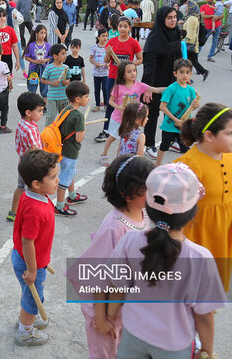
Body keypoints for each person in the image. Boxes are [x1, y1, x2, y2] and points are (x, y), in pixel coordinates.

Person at [105, 163, 225, 359]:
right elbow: (204, 315)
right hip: (174, 345)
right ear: (192, 211)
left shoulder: (130, 240)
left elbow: (117, 286)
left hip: (133, 334)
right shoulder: (200, 258)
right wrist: (208, 350)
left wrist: (110, 316)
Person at [66, 154, 154, 358]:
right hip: (104, 307)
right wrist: (102, 318)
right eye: (148, 189)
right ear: (127, 194)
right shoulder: (114, 227)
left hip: (125, 304)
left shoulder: (143, 213)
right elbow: (98, 277)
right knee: (105, 352)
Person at [176, 103, 232, 291]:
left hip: (222, 237)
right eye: (230, 133)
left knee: (212, 291)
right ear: (209, 135)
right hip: (194, 239)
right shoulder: (187, 166)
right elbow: (172, 211)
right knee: (192, 292)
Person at [11, 149, 59, 347]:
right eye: (53, 177)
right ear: (36, 184)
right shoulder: (36, 210)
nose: (58, 180)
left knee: (30, 295)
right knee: (33, 299)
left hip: (27, 258)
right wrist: (32, 270)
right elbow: (27, 241)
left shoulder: (33, 195)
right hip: (30, 262)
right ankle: (25, 332)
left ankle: (26, 320)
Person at [139, 6, 183, 160]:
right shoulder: (154, 38)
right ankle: (148, 144)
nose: (173, 20)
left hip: (173, 80)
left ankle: (170, 140)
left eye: (174, 17)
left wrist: (182, 77)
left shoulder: (176, 32)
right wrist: (148, 88)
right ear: (162, 19)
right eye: (169, 17)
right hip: (156, 82)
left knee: (173, 111)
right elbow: (149, 65)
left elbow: (179, 57)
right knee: (152, 112)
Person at [100, 60, 162, 165]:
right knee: (112, 138)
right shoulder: (118, 87)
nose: (133, 73)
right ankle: (104, 154)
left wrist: (172, 88)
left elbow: (155, 90)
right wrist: (119, 107)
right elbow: (110, 101)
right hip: (117, 118)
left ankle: (118, 159)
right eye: (129, 71)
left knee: (123, 140)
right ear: (123, 75)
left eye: (134, 70)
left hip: (130, 119)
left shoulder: (139, 85)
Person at [96, 17, 144, 143]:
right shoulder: (111, 41)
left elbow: (140, 59)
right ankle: (106, 130)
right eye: (120, 26)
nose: (122, 28)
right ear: (117, 27)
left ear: (130, 28)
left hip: (128, 80)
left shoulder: (134, 42)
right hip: (113, 76)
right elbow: (106, 61)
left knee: (130, 104)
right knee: (111, 102)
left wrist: (130, 66)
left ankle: (130, 129)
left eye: (125, 26)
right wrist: (108, 53)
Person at [54, 82, 91, 216]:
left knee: (70, 172)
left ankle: (72, 195)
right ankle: (59, 205)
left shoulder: (66, 108)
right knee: (65, 176)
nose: (88, 99)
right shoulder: (79, 116)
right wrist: (83, 129)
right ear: (78, 99)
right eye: (86, 97)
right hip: (71, 150)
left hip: (61, 146)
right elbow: (79, 138)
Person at [8, 92, 45, 221]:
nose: (42, 113)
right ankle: (30, 215)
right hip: (32, 165)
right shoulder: (31, 129)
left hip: (22, 162)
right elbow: (36, 150)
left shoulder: (21, 124)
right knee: (34, 191)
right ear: (28, 112)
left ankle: (13, 212)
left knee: (20, 187)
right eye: (39, 111)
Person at [155, 58, 199, 165]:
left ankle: (185, 168)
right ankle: (157, 165)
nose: (185, 75)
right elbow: (162, 106)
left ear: (191, 74)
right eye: (182, 72)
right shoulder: (171, 89)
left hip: (184, 126)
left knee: (185, 148)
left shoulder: (191, 90)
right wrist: (175, 119)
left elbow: (193, 106)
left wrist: (196, 105)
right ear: (175, 73)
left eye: (187, 72)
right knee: (164, 146)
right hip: (170, 124)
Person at [41, 43, 70, 125]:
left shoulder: (66, 67)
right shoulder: (49, 67)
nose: (65, 56)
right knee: (50, 117)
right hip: (53, 97)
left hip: (64, 97)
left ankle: (62, 134)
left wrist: (67, 82)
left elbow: (68, 78)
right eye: (62, 54)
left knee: (64, 117)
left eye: (65, 54)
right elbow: (42, 80)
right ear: (55, 56)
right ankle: (48, 135)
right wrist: (51, 83)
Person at [23, 24, 51, 96]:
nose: (43, 35)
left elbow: (50, 56)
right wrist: (34, 61)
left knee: (45, 89)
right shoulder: (31, 45)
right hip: (33, 69)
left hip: (44, 69)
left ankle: (45, 105)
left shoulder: (48, 45)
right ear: (36, 34)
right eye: (41, 33)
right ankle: (32, 104)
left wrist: (45, 60)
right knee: (32, 87)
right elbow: (26, 57)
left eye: (45, 33)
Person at [89, 28, 110, 112]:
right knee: (97, 89)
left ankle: (106, 104)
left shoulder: (108, 47)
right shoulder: (94, 47)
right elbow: (90, 59)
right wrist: (95, 63)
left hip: (105, 73)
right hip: (96, 73)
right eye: (103, 36)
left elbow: (111, 59)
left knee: (105, 88)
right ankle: (97, 105)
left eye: (106, 36)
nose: (105, 38)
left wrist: (108, 64)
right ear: (98, 37)